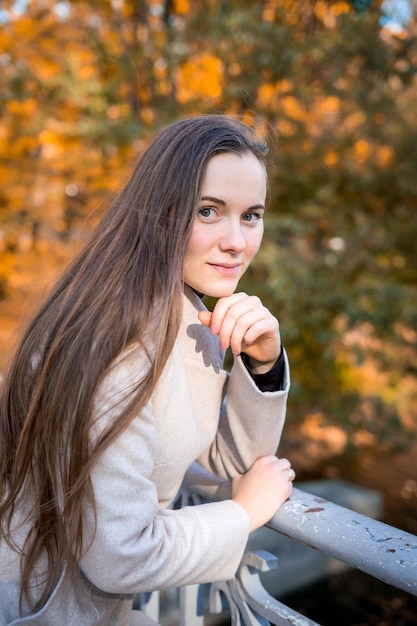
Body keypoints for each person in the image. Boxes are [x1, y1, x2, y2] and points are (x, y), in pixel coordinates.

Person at [0, 114, 294, 626]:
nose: (237, 241)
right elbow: (122, 555)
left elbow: (226, 458)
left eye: (251, 215)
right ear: (159, 212)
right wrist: (244, 513)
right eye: (209, 211)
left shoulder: (182, 315)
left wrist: (263, 363)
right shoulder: (116, 340)